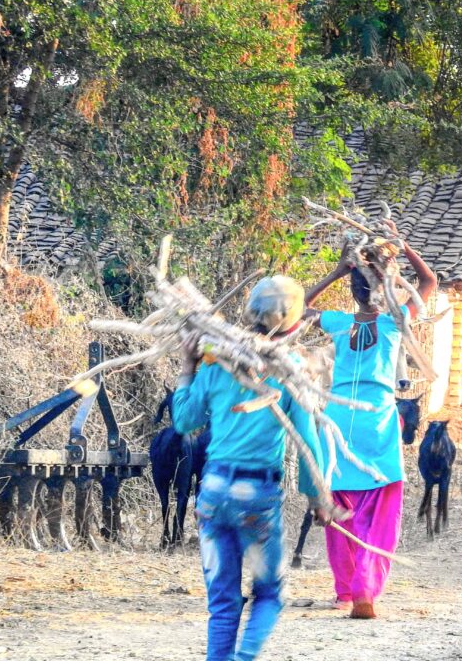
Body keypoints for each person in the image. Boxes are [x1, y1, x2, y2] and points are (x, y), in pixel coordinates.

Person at [173, 275, 329, 661]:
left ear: (250, 312)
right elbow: (307, 442)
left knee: (223, 602)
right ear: (295, 322)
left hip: (213, 493)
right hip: (256, 497)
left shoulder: (218, 362)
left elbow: (184, 421)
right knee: (270, 595)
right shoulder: (290, 369)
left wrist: (187, 367)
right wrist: (317, 498)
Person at [305, 222, 437, 619]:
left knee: (340, 501)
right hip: (376, 416)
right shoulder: (394, 322)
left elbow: (297, 310)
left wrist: (336, 272)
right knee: (378, 506)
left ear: (353, 291)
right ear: (386, 290)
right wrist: (404, 247)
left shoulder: (338, 323)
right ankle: (365, 588)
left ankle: (345, 590)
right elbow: (429, 282)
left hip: (337, 416)